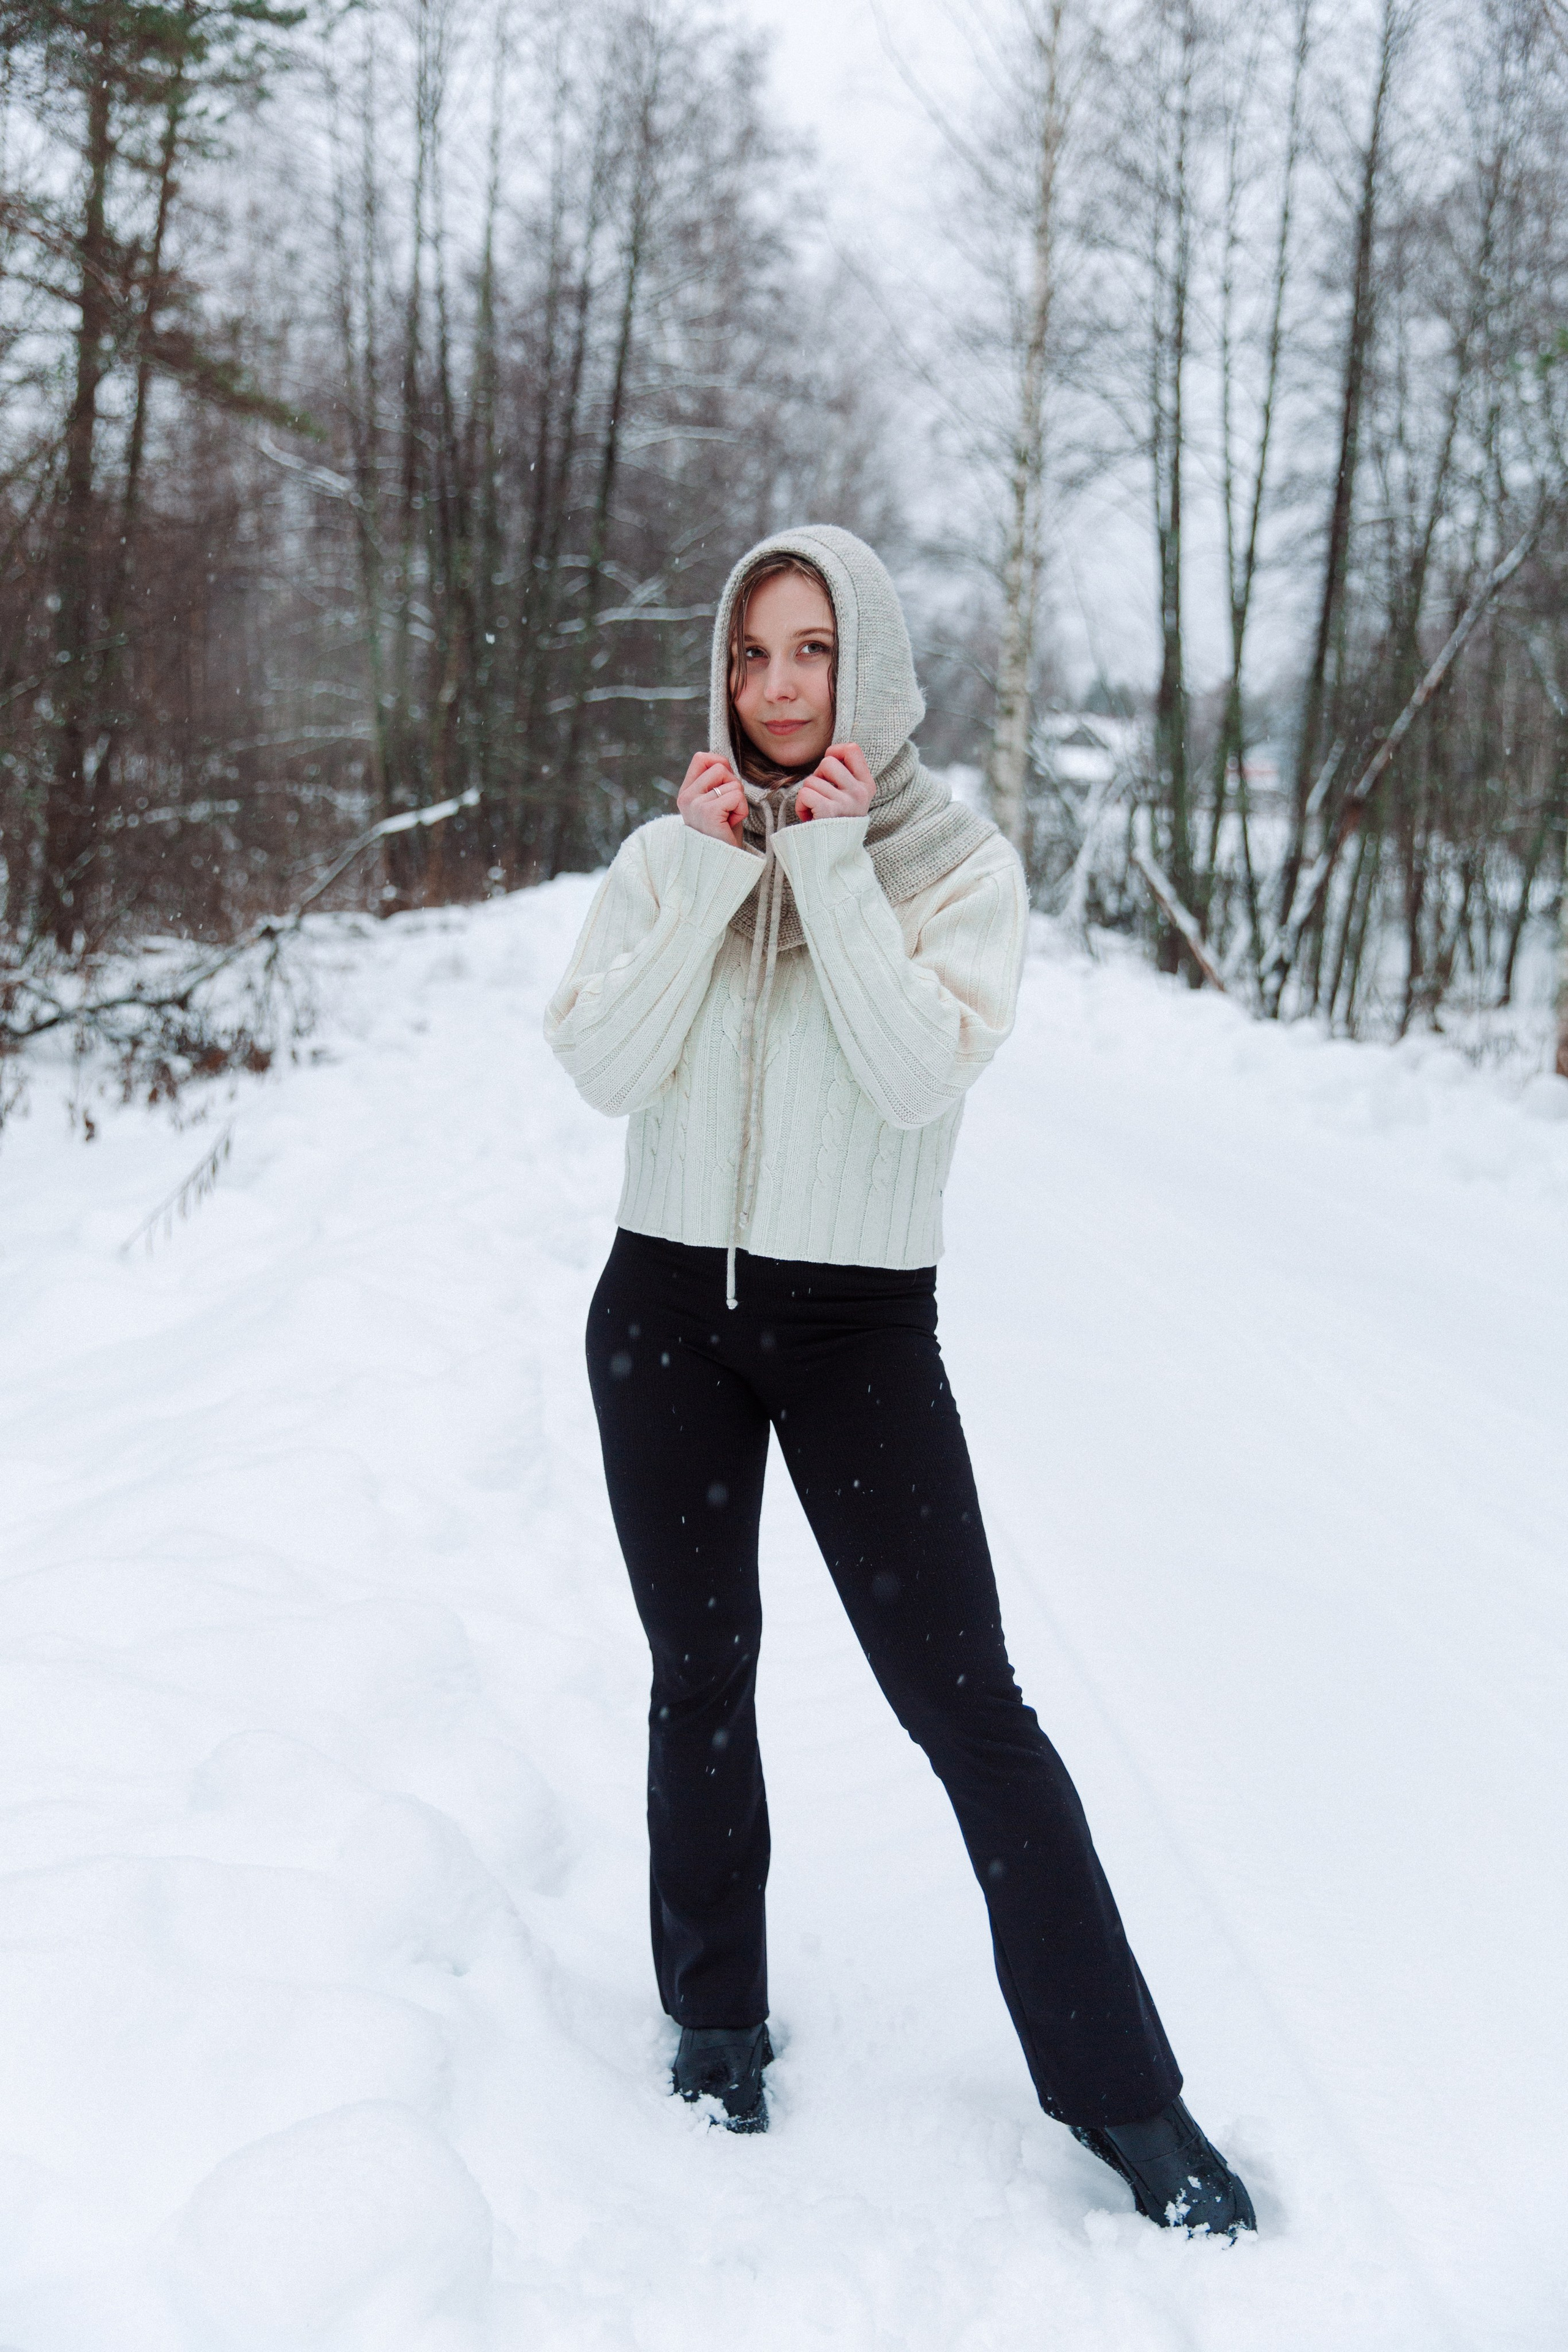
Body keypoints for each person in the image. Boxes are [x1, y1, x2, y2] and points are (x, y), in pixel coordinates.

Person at [545, 525, 1255, 2236]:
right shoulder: (668, 854)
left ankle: (1127, 2099)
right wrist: (722, 870)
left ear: (867, 667)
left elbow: (914, 1067)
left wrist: (839, 864)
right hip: (662, 1312)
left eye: (812, 654)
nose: (779, 688)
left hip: (858, 1329)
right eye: (753, 656)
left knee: (971, 1711)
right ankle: (715, 2020)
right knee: (698, 1671)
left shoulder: (957, 864)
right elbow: (598, 1060)